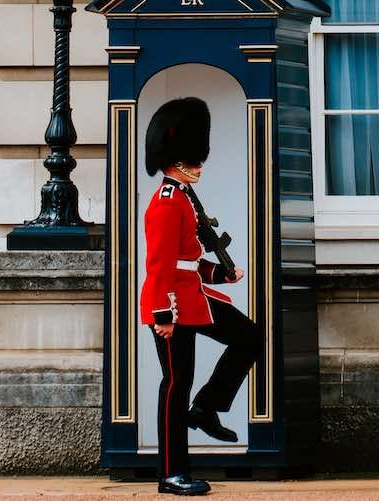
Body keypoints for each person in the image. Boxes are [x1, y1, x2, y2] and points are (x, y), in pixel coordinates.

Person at [140, 97, 264, 496]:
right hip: (172, 306)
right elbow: (159, 267)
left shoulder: (185, 199)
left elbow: (187, 261)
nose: (200, 165)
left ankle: (207, 407)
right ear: (176, 160)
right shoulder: (165, 204)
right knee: (176, 385)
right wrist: (163, 315)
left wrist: (221, 274)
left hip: (193, 296)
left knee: (250, 337)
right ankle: (172, 473)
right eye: (194, 159)